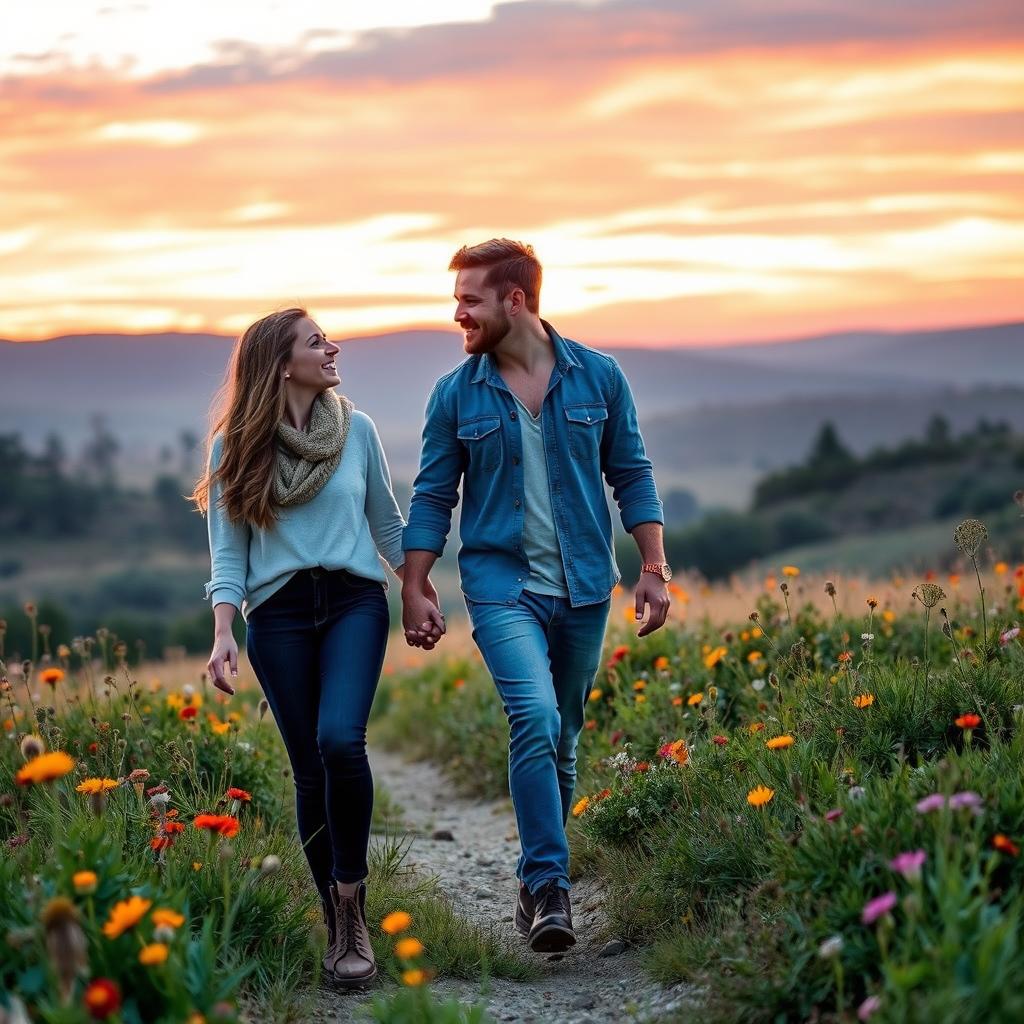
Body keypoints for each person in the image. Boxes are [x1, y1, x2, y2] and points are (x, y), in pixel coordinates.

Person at [400, 240, 671, 953]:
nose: (457, 311)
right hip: (501, 588)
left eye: (469, 299)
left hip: (585, 586)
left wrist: (653, 565)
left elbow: (632, 474)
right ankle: (551, 887)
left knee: (564, 737)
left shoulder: (600, 378)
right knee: (536, 714)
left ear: (513, 301)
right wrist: (416, 581)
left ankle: (533, 880)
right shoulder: (456, 394)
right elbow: (434, 494)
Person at [192, 307, 439, 988]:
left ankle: (354, 901)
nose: (332, 349)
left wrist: (416, 589)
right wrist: (222, 633)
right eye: (316, 343)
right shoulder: (234, 448)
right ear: (281, 363)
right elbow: (228, 556)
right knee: (308, 769)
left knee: (340, 742)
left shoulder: (355, 431)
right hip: (278, 614)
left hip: (355, 603)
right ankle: (335, 919)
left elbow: (386, 523)